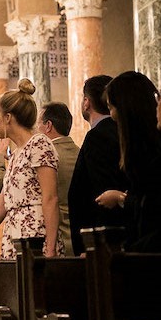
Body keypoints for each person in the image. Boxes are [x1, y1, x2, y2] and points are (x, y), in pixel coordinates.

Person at [0, 79, 61, 259]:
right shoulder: (15, 154)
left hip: (36, 239)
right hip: (14, 238)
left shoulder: (39, 144)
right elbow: (2, 206)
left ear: (8, 118)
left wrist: (51, 247)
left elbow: (50, 198)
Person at [96, 72, 161, 252]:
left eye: (111, 107)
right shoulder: (153, 145)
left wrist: (121, 199)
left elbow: (158, 209)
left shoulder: (156, 151)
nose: (111, 116)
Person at [66, 74, 127, 253]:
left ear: (86, 102)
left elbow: (102, 192)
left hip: (101, 242)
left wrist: (93, 246)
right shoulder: (120, 131)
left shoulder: (97, 136)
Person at [38, 103, 80, 256]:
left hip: (56, 242)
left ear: (48, 125)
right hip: (79, 241)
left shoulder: (45, 157)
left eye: (38, 124)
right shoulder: (80, 153)